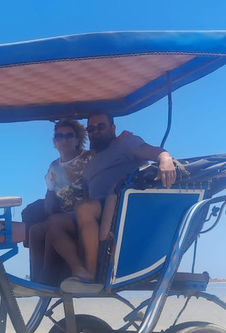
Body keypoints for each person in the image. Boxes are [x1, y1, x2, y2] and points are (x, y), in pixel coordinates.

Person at [48, 112, 177, 292]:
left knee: (85, 207)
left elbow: (152, 151)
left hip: (123, 207)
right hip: (96, 210)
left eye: (101, 126)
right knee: (55, 222)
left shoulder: (125, 142)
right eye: (91, 129)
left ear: (113, 128)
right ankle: (78, 269)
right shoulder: (91, 163)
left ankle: (91, 275)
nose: (96, 132)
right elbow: (85, 194)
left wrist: (165, 158)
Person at [27, 119, 92, 284]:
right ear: (54, 142)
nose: (64, 140)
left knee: (53, 224)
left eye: (69, 136)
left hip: (87, 215)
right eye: (59, 136)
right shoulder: (53, 167)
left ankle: (69, 272)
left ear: (77, 140)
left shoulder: (90, 158)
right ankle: (36, 279)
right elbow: (50, 196)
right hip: (65, 216)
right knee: (35, 230)